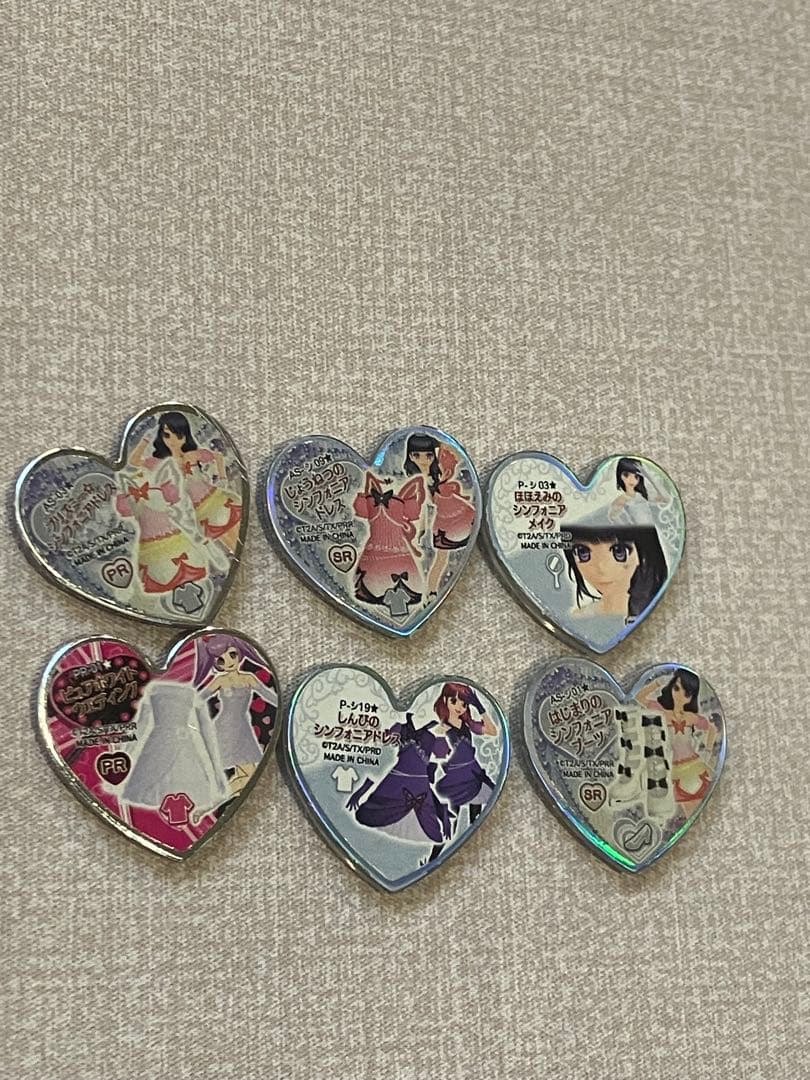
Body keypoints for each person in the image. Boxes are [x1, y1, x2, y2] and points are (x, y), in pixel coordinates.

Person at [195, 634, 277, 795]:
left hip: (243, 728)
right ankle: (215, 800)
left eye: (232, 654)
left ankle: (217, 799)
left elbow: (269, 696)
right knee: (249, 774)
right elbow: (198, 699)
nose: (229, 661)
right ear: (216, 664)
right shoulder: (220, 681)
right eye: (221, 660)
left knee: (245, 775)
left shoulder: (248, 678)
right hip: (226, 729)